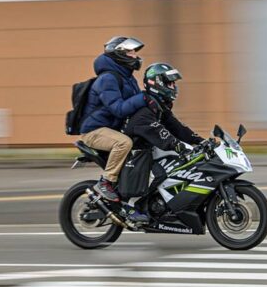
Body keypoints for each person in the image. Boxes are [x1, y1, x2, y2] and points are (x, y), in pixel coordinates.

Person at [79, 36, 147, 207]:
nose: (134, 55)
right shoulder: (107, 78)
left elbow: (136, 106)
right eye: (130, 52)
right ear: (119, 54)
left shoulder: (127, 78)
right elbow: (118, 109)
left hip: (111, 129)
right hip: (94, 131)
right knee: (124, 143)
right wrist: (145, 97)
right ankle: (106, 182)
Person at [123, 62, 205, 157]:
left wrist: (201, 141)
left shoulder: (159, 107)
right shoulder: (144, 110)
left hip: (147, 153)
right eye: (169, 83)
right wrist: (178, 145)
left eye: (173, 83)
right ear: (157, 83)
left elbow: (178, 127)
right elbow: (158, 132)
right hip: (134, 158)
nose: (174, 87)